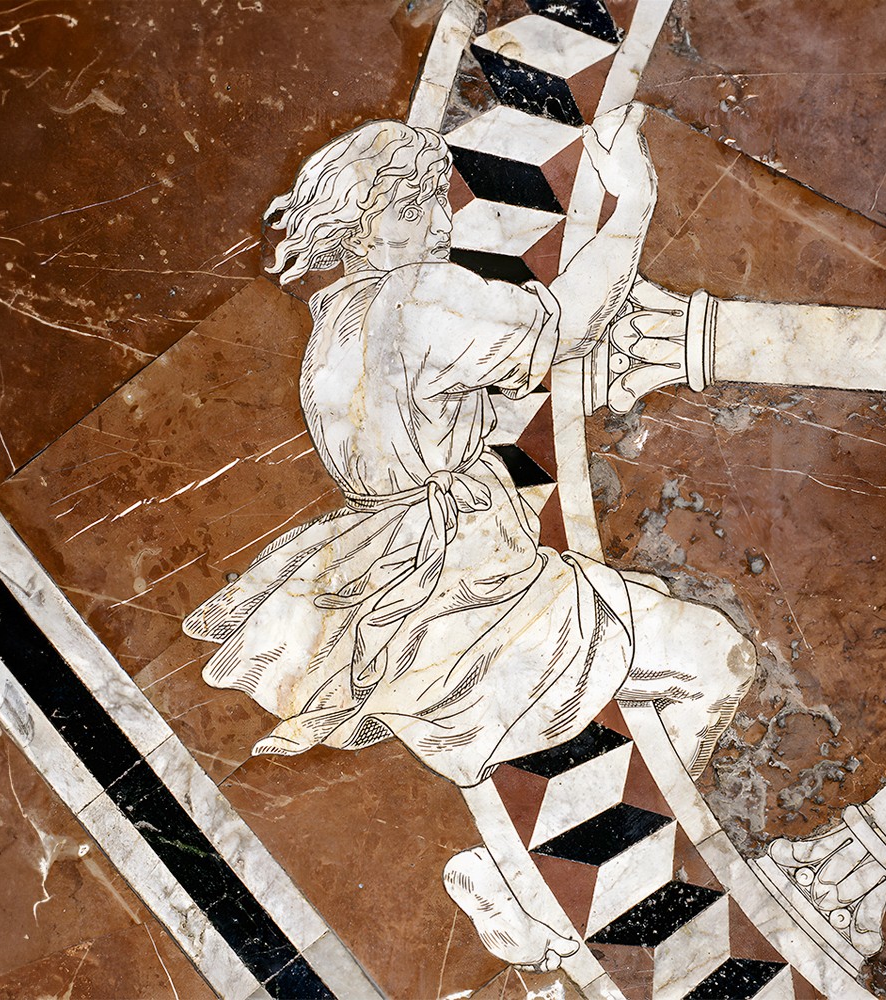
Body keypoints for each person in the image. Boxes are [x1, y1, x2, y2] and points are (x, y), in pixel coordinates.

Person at [184, 105, 754, 971]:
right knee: (716, 659)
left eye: (436, 196)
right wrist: (631, 205)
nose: (440, 217)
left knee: (608, 687)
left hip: (382, 603)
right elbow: (567, 322)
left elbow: (428, 413)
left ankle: (528, 873)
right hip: (470, 584)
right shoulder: (420, 297)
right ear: (368, 218)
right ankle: (542, 890)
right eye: (417, 200)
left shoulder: (334, 325)